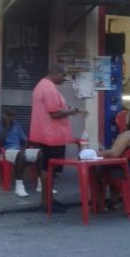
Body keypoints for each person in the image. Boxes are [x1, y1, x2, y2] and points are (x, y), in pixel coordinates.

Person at [29, 64, 88, 212]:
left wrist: (70, 110)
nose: (64, 79)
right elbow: (54, 113)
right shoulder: (48, 88)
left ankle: (47, 201)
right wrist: (73, 110)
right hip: (52, 135)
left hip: (46, 134)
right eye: (63, 75)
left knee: (46, 168)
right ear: (54, 73)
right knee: (50, 170)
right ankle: (47, 202)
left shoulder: (42, 85)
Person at [0, 109, 43, 197]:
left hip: (19, 150)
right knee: (20, 155)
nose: (11, 118)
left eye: (13, 116)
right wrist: (6, 128)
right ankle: (19, 186)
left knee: (41, 153)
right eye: (9, 116)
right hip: (7, 152)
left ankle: (41, 184)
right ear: (3, 116)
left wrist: (23, 148)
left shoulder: (16, 125)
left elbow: (24, 140)